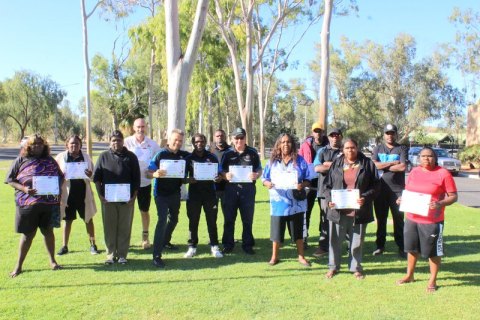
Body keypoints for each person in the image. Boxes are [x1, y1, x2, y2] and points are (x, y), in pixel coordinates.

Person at [396, 147, 457, 293]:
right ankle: (410, 275)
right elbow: (409, 190)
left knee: (433, 252)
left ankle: (432, 280)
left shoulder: (443, 174)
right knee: (411, 249)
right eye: (423, 156)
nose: (426, 159)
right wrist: (402, 199)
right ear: (419, 158)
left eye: (430, 156)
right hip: (412, 217)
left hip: (432, 221)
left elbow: (453, 196)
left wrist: (440, 203)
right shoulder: (414, 172)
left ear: (435, 158)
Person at [5, 134, 63, 277]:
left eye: (40, 144)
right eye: (34, 144)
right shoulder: (21, 160)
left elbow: (60, 176)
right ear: (28, 146)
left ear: (44, 146)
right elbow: (10, 180)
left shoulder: (50, 160)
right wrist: (24, 189)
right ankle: (18, 267)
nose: (37, 146)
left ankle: (53, 261)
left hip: (48, 204)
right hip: (27, 204)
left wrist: (58, 189)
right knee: (27, 235)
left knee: (48, 232)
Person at [324, 138, 379, 280]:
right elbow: (327, 186)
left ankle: (356, 268)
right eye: (347, 148)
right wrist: (330, 200)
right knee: (335, 240)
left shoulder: (367, 164)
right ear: (343, 149)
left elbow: (376, 186)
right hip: (338, 210)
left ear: (357, 147)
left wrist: (365, 197)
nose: (350, 150)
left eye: (353, 147)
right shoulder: (337, 163)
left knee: (357, 241)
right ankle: (333, 267)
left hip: (359, 210)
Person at [262, 133, 313, 267]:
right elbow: (264, 178)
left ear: (293, 144)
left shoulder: (300, 160)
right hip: (278, 203)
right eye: (283, 142)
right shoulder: (272, 162)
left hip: (297, 203)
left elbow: (308, 178)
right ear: (278, 144)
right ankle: (274, 257)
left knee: (298, 232)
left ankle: (301, 257)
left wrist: (302, 185)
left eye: (288, 142)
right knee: (276, 231)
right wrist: (268, 184)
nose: (286, 144)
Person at [93, 130, 140, 265]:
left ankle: (122, 255)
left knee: (124, 227)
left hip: (127, 200)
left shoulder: (131, 157)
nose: (116, 143)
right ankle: (110, 255)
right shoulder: (103, 156)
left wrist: (134, 197)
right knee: (109, 227)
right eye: (113, 140)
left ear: (123, 141)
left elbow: (136, 179)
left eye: (118, 140)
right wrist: (100, 195)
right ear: (110, 142)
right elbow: (97, 178)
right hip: (108, 200)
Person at [148, 129, 190, 268]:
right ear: (169, 139)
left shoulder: (184, 156)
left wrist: (190, 180)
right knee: (161, 220)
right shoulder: (160, 155)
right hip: (160, 194)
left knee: (174, 219)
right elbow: (148, 172)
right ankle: (156, 255)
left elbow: (183, 178)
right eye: (175, 140)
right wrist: (155, 174)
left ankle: (165, 241)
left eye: (180, 141)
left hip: (175, 194)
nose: (177, 143)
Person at [220, 127, 262, 255]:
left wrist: (257, 175)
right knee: (229, 219)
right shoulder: (227, 154)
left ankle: (247, 245)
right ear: (232, 139)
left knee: (247, 219)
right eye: (236, 138)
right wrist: (224, 175)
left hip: (248, 191)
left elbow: (259, 169)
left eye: (241, 138)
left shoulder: (253, 152)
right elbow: (220, 170)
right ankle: (228, 244)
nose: (239, 141)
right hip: (230, 190)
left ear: (245, 138)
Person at [55, 135, 98, 256]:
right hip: (67, 196)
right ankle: (64, 246)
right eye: (72, 144)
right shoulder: (61, 157)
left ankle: (93, 245)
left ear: (80, 145)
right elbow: (54, 175)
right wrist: (61, 176)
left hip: (84, 195)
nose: (74, 146)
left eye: (77, 144)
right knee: (67, 221)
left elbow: (94, 176)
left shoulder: (86, 157)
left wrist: (90, 174)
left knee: (88, 219)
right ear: (67, 145)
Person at [184, 133, 223, 258]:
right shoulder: (189, 158)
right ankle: (192, 246)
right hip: (194, 195)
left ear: (205, 142)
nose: (199, 144)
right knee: (193, 221)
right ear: (193, 143)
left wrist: (218, 178)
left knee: (212, 221)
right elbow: (182, 178)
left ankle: (214, 246)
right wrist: (188, 180)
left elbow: (220, 174)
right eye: (196, 142)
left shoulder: (212, 157)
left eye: (201, 141)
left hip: (210, 195)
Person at [372, 124, 408, 258]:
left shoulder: (402, 148)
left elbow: (402, 167)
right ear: (384, 135)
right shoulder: (377, 148)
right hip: (380, 189)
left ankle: (402, 246)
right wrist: (393, 163)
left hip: (398, 190)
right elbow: (374, 165)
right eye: (387, 133)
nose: (390, 135)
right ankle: (380, 246)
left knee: (399, 219)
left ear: (396, 134)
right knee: (381, 219)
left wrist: (383, 166)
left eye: (392, 133)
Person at [124, 118, 161, 249]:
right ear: (134, 127)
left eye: (143, 126)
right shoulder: (127, 142)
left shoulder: (152, 144)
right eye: (138, 127)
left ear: (146, 127)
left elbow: (159, 159)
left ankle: (145, 238)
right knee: (127, 212)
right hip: (129, 184)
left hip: (145, 183)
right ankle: (125, 240)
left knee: (144, 211)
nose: (140, 129)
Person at [312, 128, 343, 257]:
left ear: (341, 137)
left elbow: (349, 166)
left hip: (343, 191)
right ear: (328, 137)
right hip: (325, 191)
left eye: (337, 135)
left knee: (344, 218)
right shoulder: (322, 151)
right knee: (325, 218)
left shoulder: (345, 150)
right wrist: (336, 165)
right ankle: (324, 246)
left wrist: (328, 164)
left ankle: (343, 245)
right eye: (332, 136)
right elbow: (317, 168)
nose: (335, 138)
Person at [298, 122, 328, 247]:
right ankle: (304, 237)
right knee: (306, 211)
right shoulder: (305, 145)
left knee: (325, 212)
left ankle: (324, 237)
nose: (318, 133)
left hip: (325, 182)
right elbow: (300, 162)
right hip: (309, 182)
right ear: (312, 132)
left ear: (323, 132)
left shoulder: (328, 145)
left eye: (320, 131)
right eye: (315, 131)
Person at [211, 129, 231, 207]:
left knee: (228, 215)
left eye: (222, 136)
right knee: (212, 215)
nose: (220, 137)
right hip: (213, 189)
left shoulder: (231, 151)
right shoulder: (209, 151)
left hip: (228, 188)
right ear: (214, 138)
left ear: (225, 137)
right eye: (217, 136)